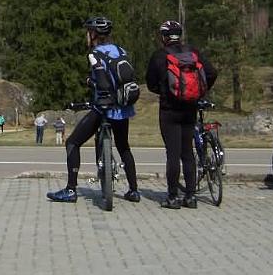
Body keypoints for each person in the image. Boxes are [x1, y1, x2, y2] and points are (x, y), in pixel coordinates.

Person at [47, 16, 140, 204]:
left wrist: (91, 82)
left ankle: (70, 190)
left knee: (72, 143)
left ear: (93, 34)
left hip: (103, 108)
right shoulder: (121, 51)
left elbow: (102, 81)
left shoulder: (95, 54)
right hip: (123, 108)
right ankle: (134, 191)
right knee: (124, 147)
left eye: (88, 32)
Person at [146, 20, 217, 209]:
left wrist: (164, 90)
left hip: (169, 110)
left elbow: (150, 83)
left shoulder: (159, 56)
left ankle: (172, 197)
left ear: (164, 37)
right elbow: (211, 73)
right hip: (189, 109)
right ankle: (191, 197)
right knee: (187, 153)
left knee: (173, 154)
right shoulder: (193, 52)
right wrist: (199, 91)